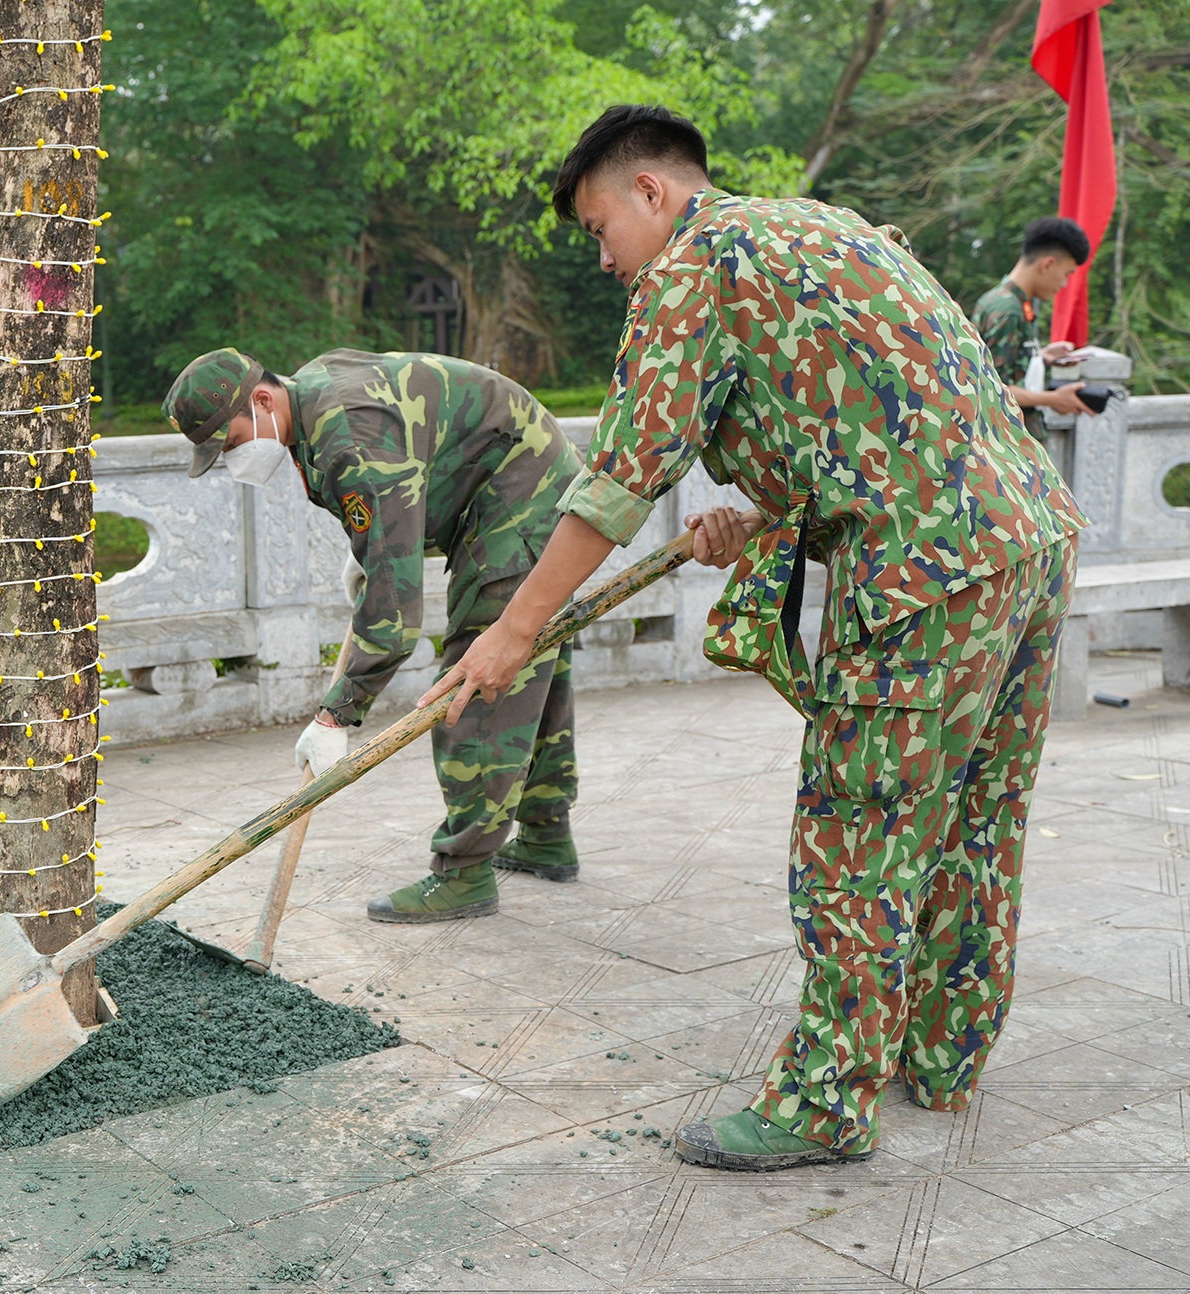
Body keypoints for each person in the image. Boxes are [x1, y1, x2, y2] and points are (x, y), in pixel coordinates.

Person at [423, 106, 1086, 1171]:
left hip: (925, 579)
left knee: (855, 838)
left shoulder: (691, 268)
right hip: (1026, 542)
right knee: (975, 820)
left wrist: (511, 631)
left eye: (600, 229)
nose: (603, 260)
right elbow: (878, 415)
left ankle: (825, 1104)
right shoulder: (829, 229)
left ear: (651, 193)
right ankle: (943, 1059)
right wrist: (763, 512)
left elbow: (615, 482)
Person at [164, 346, 595, 924]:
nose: (234, 459)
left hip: (523, 494)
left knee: (481, 674)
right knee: (530, 662)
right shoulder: (310, 403)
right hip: (505, 482)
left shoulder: (348, 437)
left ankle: (464, 874)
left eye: (232, 442)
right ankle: (545, 837)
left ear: (262, 400)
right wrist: (371, 555)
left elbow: (394, 617)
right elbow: (390, 500)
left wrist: (336, 714)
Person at [970, 215, 1093, 440]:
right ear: (1047, 264)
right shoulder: (1007, 310)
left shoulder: (1008, 301)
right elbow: (994, 388)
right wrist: (1053, 399)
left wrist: (1041, 357)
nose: (1064, 284)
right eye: (1067, 274)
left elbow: (999, 364)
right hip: (1006, 448)